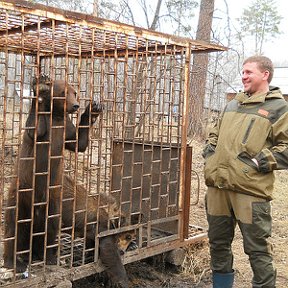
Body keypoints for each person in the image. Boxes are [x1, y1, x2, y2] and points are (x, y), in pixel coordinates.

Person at [202, 55, 288, 288]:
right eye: (243, 72)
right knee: (218, 243)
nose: (243, 76)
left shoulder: (278, 108)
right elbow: (213, 134)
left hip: (250, 191)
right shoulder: (232, 104)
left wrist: (257, 162)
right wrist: (210, 155)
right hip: (218, 187)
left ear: (265, 74)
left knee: (257, 249)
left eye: (249, 72)